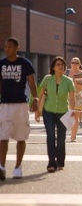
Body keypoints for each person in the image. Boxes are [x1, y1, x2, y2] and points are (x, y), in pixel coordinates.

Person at [0, 37, 38, 180]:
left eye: (9, 46)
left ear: (17, 48)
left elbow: (32, 83)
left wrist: (35, 98)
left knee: (21, 138)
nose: (7, 49)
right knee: (3, 137)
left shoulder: (24, 63)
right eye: (5, 46)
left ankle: (17, 167)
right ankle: (1, 167)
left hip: (21, 105)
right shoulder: (1, 64)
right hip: (4, 105)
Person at [35, 57, 75, 172]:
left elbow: (72, 99)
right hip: (49, 111)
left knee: (61, 139)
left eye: (62, 64)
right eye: (58, 64)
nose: (61, 66)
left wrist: (72, 111)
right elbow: (40, 94)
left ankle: (60, 161)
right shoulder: (47, 79)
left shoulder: (68, 81)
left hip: (63, 112)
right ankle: (51, 163)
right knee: (51, 137)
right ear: (53, 67)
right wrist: (38, 111)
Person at [68, 57, 82, 141]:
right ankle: (72, 133)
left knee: (75, 117)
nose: (74, 64)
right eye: (72, 62)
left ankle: (73, 136)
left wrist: (76, 84)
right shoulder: (66, 72)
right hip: (68, 96)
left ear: (79, 64)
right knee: (70, 116)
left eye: (76, 63)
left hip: (78, 97)